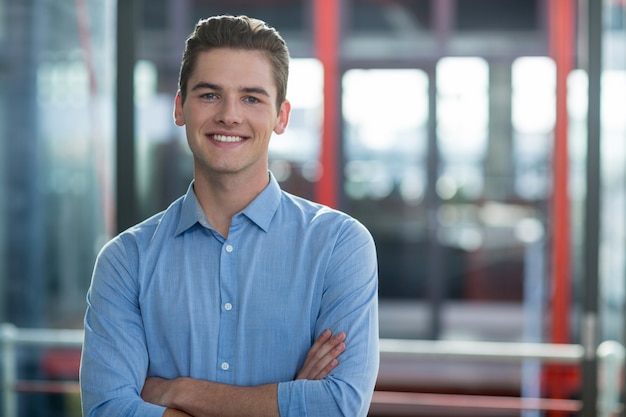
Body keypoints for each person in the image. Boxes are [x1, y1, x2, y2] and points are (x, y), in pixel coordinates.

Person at [80, 14, 379, 417]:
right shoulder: (125, 261)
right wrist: (288, 401)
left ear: (282, 116)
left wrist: (178, 391)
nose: (229, 115)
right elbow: (108, 410)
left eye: (252, 98)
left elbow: (338, 406)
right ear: (180, 107)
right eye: (209, 95)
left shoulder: (340, 246)